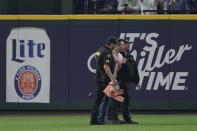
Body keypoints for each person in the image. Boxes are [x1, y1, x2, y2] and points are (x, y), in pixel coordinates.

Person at [106, 38, 141, 124]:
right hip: (119, 82)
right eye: (126, 44)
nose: (128, 45)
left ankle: (126, 118)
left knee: (126, 100)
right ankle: (112, 118)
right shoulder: (118, 55)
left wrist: (137, 81)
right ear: (120, 46)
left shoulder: (129, 55)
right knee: (116, 99)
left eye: (129, 43)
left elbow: (134, 69)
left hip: (126, 83)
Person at [90, 36, 118, 125]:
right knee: (101, 101)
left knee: (98, 101)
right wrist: (112, 78)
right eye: (115, 44)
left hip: (99, 78)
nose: (116, 46)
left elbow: (96, 58)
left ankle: (95, 119)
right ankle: (96, 120)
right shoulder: (107, 52)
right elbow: (106, 66)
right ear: (112, 44)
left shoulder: (100, 49)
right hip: (104, 80)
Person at [97, 39, 126, 124]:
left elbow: (120, 66)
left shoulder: (120, 55)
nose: (120, 46)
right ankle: (103, 118)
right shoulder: (110, 53)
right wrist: (112, 78)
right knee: (106, 99)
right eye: (119, 45)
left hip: (115, 79)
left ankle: (111, 117)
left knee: (113, 99)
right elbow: (106, 67)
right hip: (109, 79)